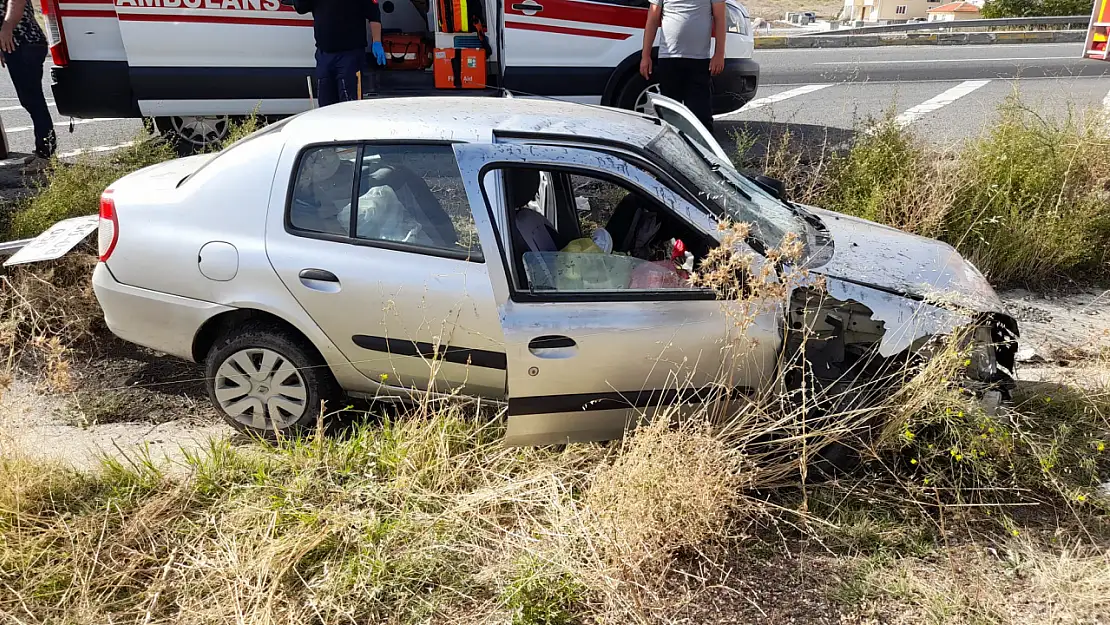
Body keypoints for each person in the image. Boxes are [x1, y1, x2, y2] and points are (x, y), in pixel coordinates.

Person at [639, 0, 726, 132]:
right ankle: (673, 152)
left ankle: (703, 152)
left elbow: (720, 18)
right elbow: (653, 18)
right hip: (669, 59)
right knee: (671, 119)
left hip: (699, 61)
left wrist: (719, 54)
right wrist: (645, 55)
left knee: (701, 119)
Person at [294, 0, 389, 107]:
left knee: (349, 105)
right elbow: (301, 8)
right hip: (324, 55)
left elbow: (374, 15)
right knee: (326, 106)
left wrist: (377, 41)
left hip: (350, 55)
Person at [0, 0, 55, 159]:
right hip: (17, 44)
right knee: (30, 100)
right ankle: (43, 149)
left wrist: (7, 27)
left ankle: (45, 153)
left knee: (33, 100)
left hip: (25, 42)